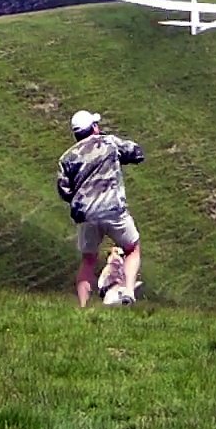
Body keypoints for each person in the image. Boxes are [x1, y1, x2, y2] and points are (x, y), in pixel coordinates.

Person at [56, 109, 146, 307]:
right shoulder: (109, 143)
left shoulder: (67, 158)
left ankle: (83, 307)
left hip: (86, 215)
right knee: (132, 248)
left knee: (88, 260)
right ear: (94, 128)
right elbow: (136, 152)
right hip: (113, 210)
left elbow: (64, 190)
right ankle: (129, 292)